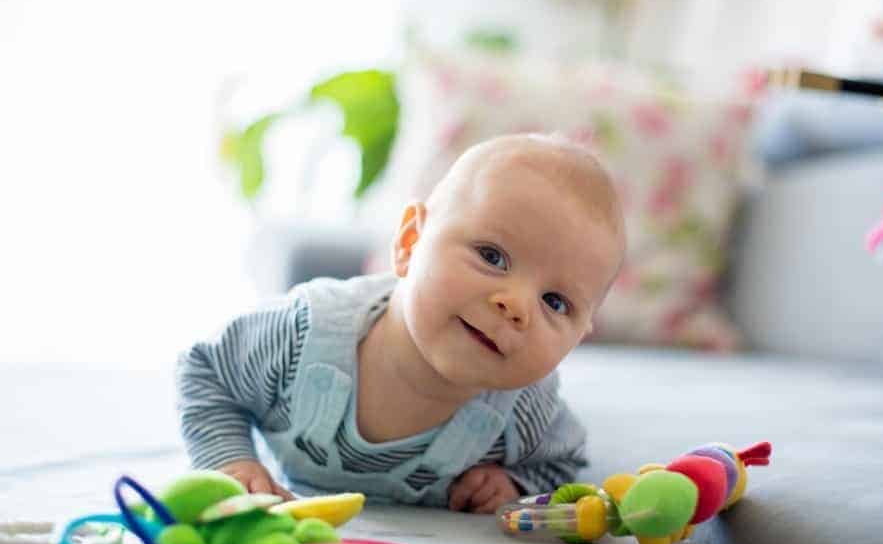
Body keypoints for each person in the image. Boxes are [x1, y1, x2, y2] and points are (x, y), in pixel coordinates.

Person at [175, 133, 627, 513]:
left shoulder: (526, 412)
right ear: (411, 241)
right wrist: (229, 460)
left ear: (580, 335)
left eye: (555, 301)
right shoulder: (302, 334)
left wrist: (511, 482)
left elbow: (563, 461)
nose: (516, 305)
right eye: (492, 256)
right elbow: (207, 372)